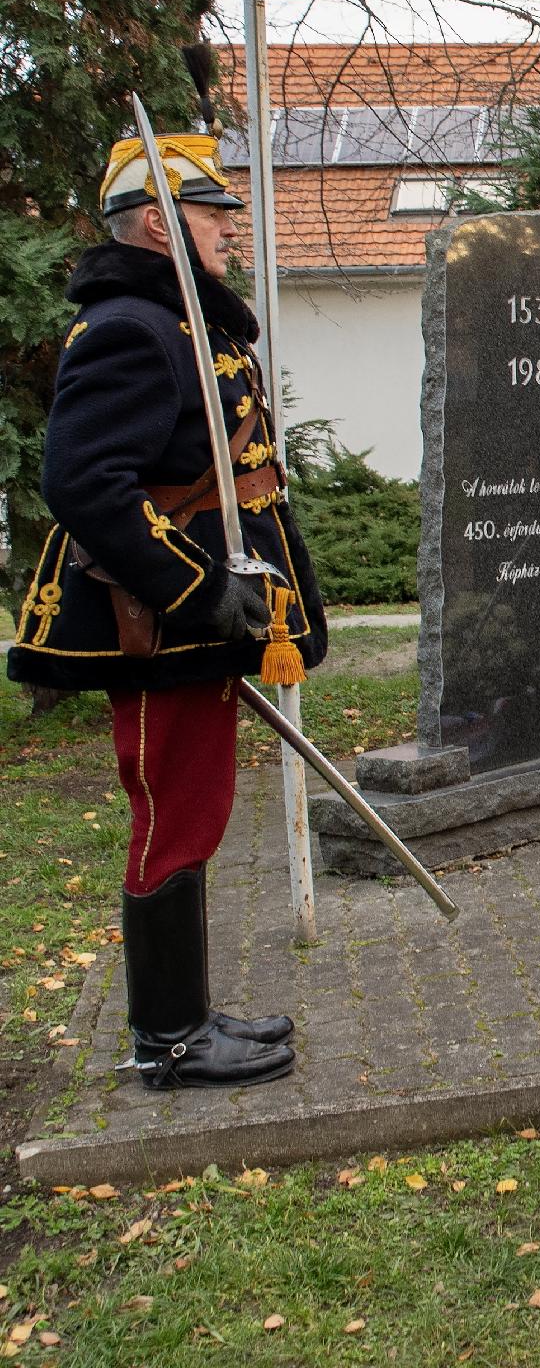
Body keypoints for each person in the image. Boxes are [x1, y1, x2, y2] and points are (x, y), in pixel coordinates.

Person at [8, 128, 326, 1090]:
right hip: (158, 622)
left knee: (196, 811)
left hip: (202, 620)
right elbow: (88, 486)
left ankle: (182, 1015)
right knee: (172, 818)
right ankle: (170, 1039)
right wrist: (199, 594)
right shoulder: (128, 328)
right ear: (158, 223)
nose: (230, 231)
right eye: (211, 216)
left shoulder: (185, 322)